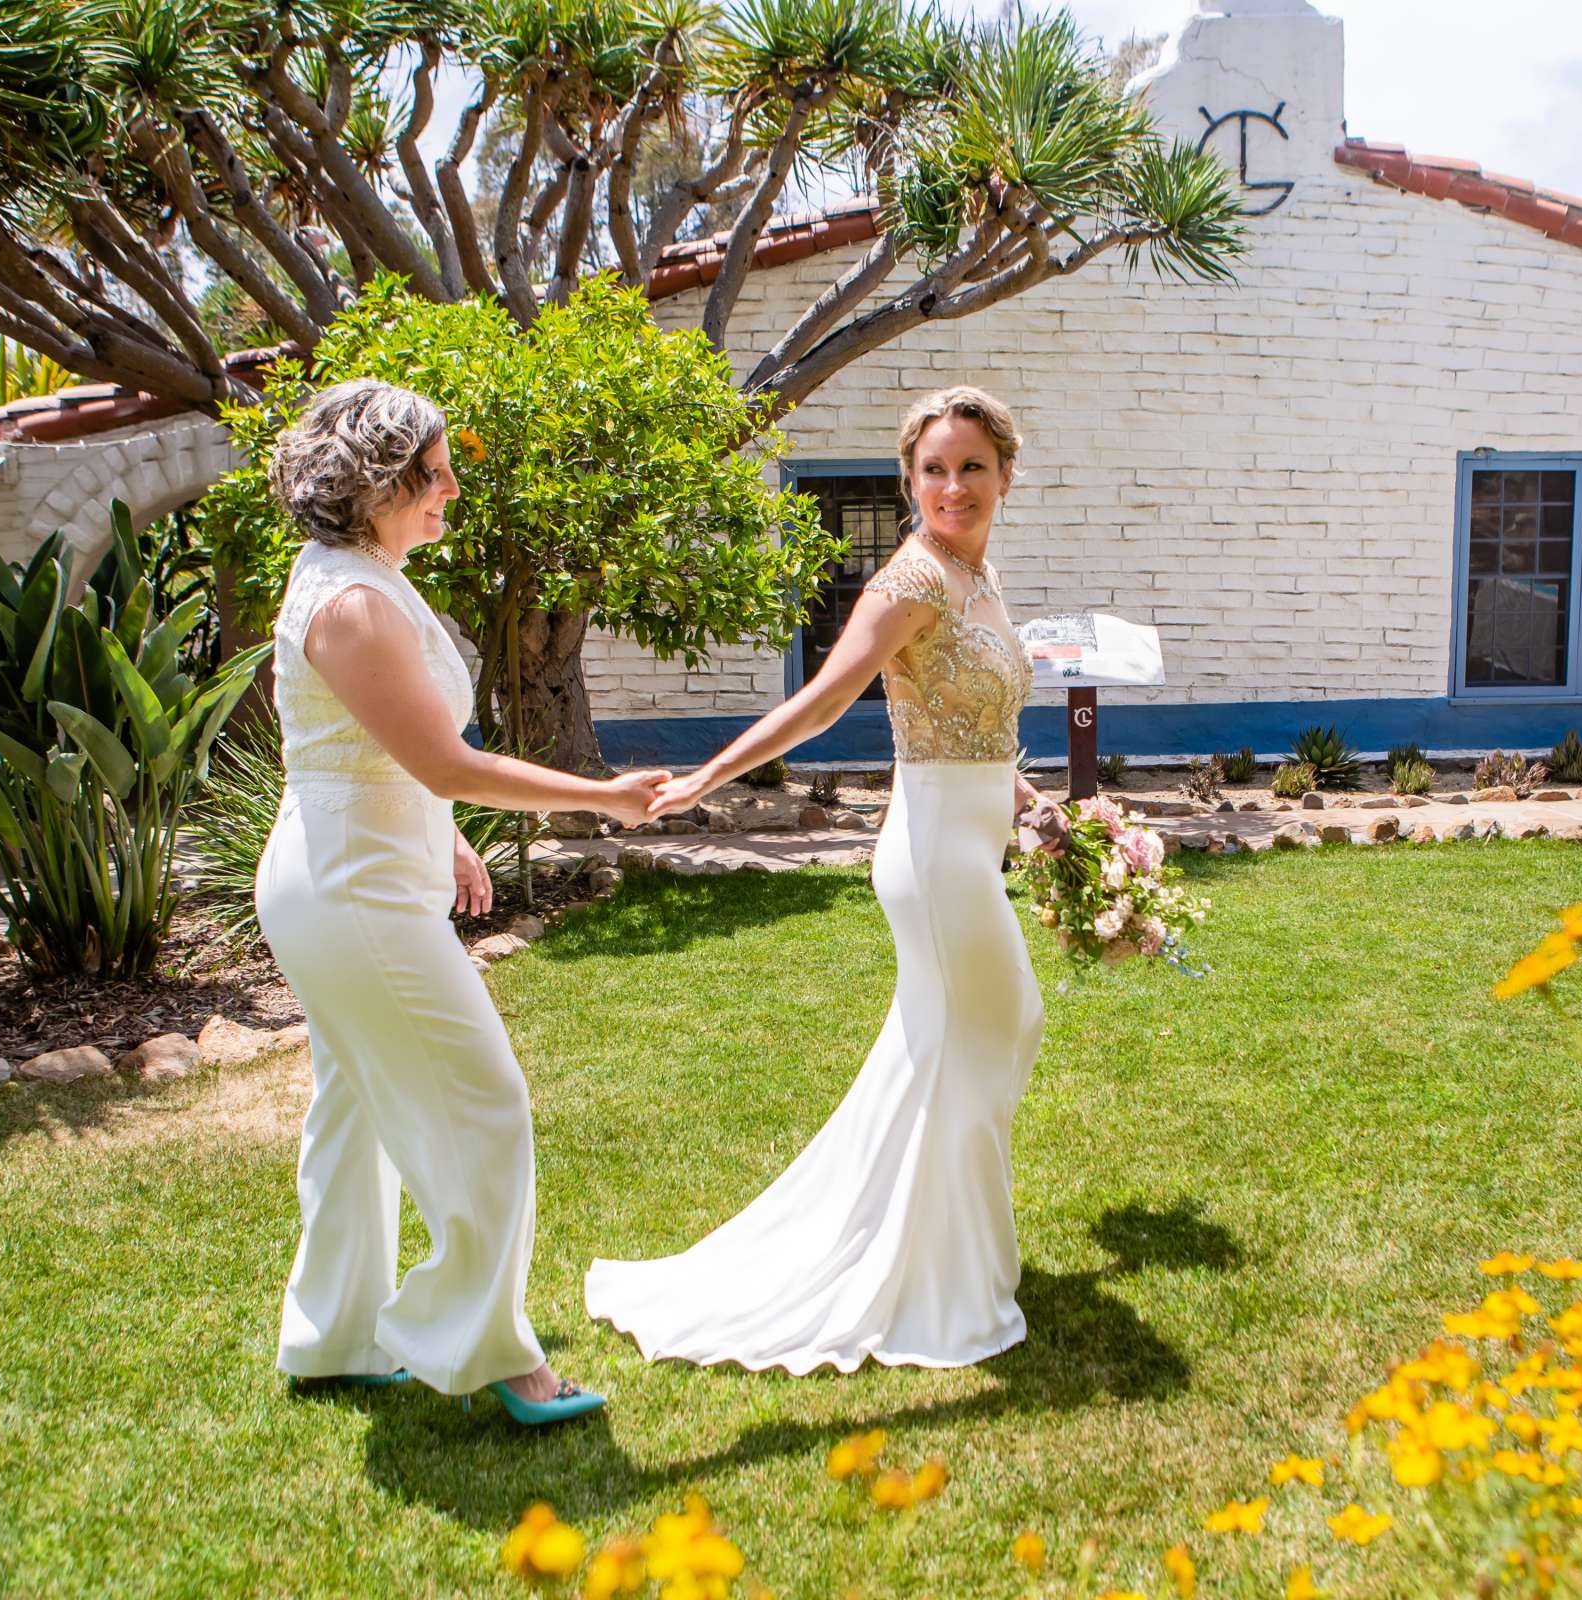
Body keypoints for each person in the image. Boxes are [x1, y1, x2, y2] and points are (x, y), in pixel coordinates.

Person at [586, 385, 1049, 1372]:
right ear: (908, 479)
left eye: (971, 466)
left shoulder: (981, 578)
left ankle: (938, 1248)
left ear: (1005, 474)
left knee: (964, 1046)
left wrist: (1031, 802)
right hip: (931, 854)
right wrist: (713, 772)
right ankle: (947, 1282)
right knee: (994, 1029)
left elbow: (979, 724)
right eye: (933, 468)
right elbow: (825, 698)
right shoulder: (913, 581)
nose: (951, 486)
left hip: (976, 835)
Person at [256, 378, 665, 1425]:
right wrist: (603, 797)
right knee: (485, 1101)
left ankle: (332, 1337)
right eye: (431, 474)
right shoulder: (349, 600)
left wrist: (445, 841)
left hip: (355, 877)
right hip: (352, 897)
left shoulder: (361, 576)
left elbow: (376, 753)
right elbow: (444, 758)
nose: (448, 492)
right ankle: (492, 1348)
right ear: (373, 483)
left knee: (353, 1114)